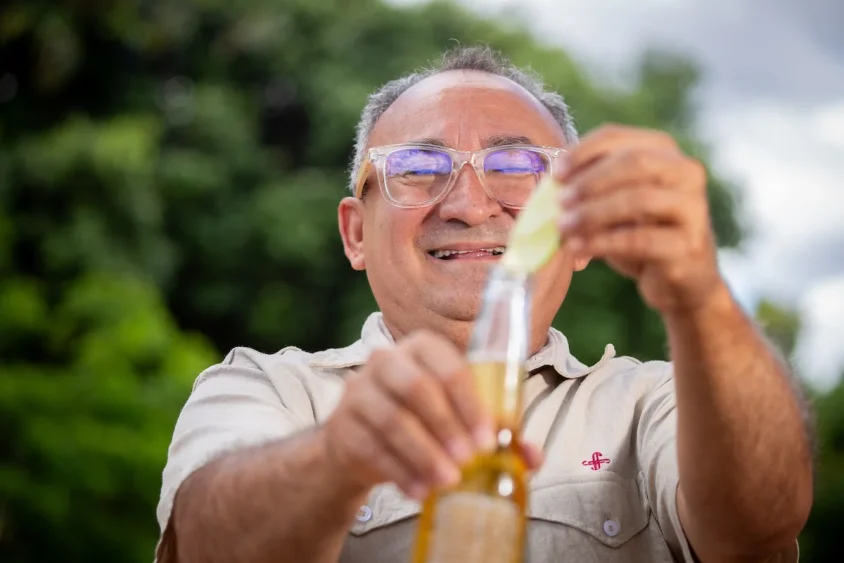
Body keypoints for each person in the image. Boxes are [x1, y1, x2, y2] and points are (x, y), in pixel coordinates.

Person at [154, 46, 813, 563]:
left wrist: (701, 298)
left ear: (577, 229)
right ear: (356, 232)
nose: (470, 206)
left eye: (518, 167)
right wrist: (336, 457)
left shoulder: (653, 406)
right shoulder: (266, 390)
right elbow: (207, 548)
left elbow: (758, 525)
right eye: (417, 165)